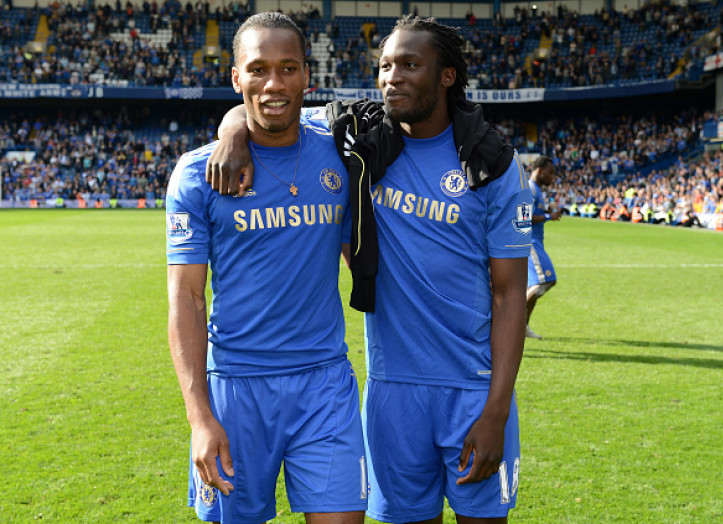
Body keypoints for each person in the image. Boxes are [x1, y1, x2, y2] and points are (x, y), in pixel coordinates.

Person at [209, 15, 532, 523]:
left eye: (409, 65)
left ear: (447, 75)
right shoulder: (358, 139)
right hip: (391, 390)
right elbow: (272, 103)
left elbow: (511, 295)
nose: (392, 78)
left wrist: (496, 410)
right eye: (384, 65)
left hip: (473, 389)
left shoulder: (489, 163)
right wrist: (231, 131)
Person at [166, 13, 366, 524]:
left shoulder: (344, 156)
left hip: (325, 385)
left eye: (288, 68)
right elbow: (187, 298)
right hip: (235, 390)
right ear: (236, 79)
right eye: (257, 70)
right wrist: (199, 417)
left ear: (307, 76)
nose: (274, 83)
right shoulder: (197, 174)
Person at [525, 155, 560, 340]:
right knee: (545, 280)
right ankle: (514, 321)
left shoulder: (537, 190)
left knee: (533, 285)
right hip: (530, 242)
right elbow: (525, 216)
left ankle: (522, 325)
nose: (552, 177)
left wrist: (547, 212)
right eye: (550, 173)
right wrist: (549, 217)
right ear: (540, 170)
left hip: (536, 241)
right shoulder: (530, 188)